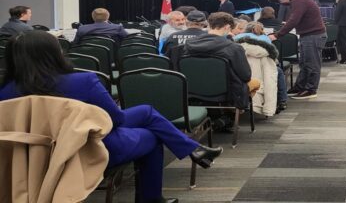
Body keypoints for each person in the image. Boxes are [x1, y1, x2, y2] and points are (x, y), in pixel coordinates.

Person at [0, 31, 223, 203]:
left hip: (30, 155)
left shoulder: (5, 92)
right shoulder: (83, 81)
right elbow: (114, 120)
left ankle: (192, 150)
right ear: (53, 54)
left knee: (146, 111)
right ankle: (155, 193)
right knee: (152, 133)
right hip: (90, 149)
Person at [176, 13, 260, 113]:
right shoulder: (234, 48)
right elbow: (246, 76)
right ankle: (233, 112)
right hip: (226, 92)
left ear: (208, 24)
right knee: (256, 83)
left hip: (192, 90)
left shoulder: (187, 46)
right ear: (227, 27)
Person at [267, 0, 326, 100]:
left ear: (280, 0)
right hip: (308, 35)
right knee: (304, 63)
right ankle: (300, 87)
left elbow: (294, 19)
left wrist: (277, 35)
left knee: (312, 64)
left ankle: (311, 90)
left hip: (313, 35)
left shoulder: (298, 0)